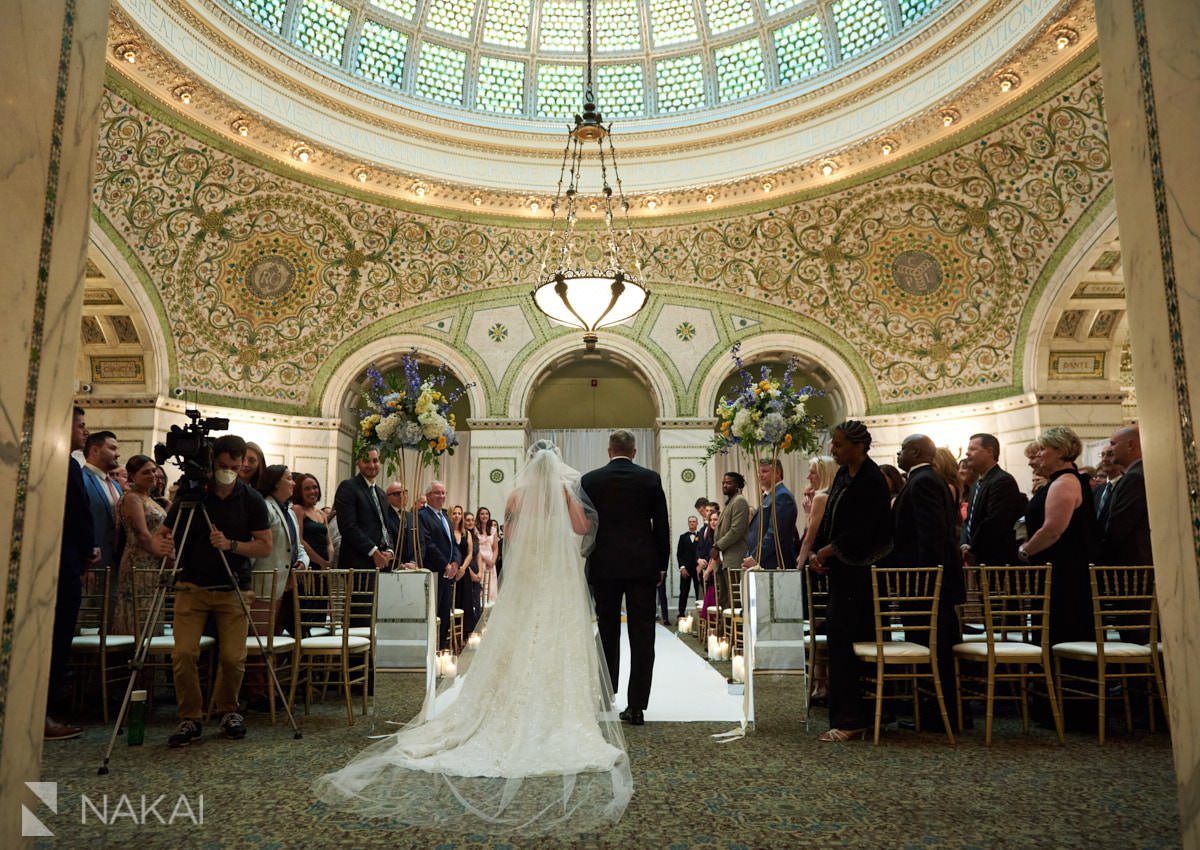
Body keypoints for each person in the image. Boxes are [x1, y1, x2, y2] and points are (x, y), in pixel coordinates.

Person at [315, 440, 630, 832]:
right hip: (557, 579)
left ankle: (508, 701)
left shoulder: (517, 493)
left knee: (517, 638)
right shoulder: (566, 492)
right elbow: (583, 529)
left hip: (529, 576)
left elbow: (509, 534)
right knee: (557, 637)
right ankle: (556, 706)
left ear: (529, 463)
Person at [166, 434, 272, 747]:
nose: (228, 471)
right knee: (184, 653)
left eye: (234, 467)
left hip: (233, 585)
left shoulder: (251, 499)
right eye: (223, 466)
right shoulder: (194, 494)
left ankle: (228, 710)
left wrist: (232, 545)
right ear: (213, 463)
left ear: (242, 466)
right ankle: (190, 717)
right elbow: (164, 533)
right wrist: (160, 544)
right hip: (191, 585)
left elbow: (264, 546)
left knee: (232, 657)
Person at [810, 421, 893, 742]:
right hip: (842, 571)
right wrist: (820, 552)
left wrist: (831, 550)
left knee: (848, 646)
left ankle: (852, 720)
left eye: (840, 444)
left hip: (862, 574)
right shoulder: (845, 476)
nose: (833, 449)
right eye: (833, 443)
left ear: (859, 446)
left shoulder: (872, 480)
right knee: (839, 645)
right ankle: (849, 716)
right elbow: (832, 518)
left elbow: (867, 529)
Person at [582, 429, 670, 727]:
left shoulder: (591, 480)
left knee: (606, 630)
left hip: (604, 566)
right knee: (642, 635)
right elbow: (661, 524)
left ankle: (606, 695)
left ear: (609, 451)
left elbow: (587, 526)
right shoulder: (650, 479)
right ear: (634, 452)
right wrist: (662, 564)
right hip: (642, 566)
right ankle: (636, 706)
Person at [888, 434, 963, 729]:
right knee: (932, 646)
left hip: (927, 584)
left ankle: (938, 715)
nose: (897, 454)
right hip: (929, 582)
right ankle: (934, 713)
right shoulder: (925, 480)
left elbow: (930, 536)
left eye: (902, 449)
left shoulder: (924, 481)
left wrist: (922, 580)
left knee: (935, 648)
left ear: (915, 451)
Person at [1019, 426, 1096, 647]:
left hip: (1063, 571)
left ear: (1061, 451)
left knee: (1062, 631)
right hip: (1059, 568)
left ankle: (1062, 679)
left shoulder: (1064, 482)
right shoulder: (1062, 481)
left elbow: (1052, 530)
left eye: (1044, 449)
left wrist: (1025, 551)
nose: (1039, 454)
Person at [46, 407, 94, 741]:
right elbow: (78, 514)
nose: (85, 431)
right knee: (56, 640)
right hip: (63, 563)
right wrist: (86, 551)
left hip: (58, 560)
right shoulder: (66, 465)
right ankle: (43, 714)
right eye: (80, 425)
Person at [334, 448, 395, 635]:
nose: (372, 465)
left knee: (377, 617)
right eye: (367, 461)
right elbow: (348, 527)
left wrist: (389, 551)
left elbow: (386, 528)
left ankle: (372, 661)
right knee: (360, 618)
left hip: (381, 565)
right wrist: (374, 551)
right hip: (358, 564)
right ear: (358, 463)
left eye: (375, 461)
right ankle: (357, 662)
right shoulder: (348, 487)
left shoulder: (381, 493)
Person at [113, 455, 173, 638]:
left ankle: (150, 663)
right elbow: (142, 534)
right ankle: (135, 661)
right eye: (145, 472)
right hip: (139, 563)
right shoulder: (132, 498)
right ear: (132, 475)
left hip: (154, 564)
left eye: (154, 470)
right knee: (139, 617)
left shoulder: (151, 498)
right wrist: (165, 555)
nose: (152, 475)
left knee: (153, 614)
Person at [961, 433, 1025, 566]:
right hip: (979, 556)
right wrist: (964, 544)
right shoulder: (976, 484)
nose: (967, 453)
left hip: (997, 559)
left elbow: (995, 521)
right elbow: (969, 520)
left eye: (973, 449)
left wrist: (973, 548)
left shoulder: (1002, 480)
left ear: (990, 451)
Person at [417, 481, 460, 650]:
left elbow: (454, 545)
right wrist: (445, 565)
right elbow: (428, 543)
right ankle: (430, 651)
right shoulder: (422, 515)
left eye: (443, 493)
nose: (441, 496)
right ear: (428, 496)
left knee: (444, 614)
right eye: (437, 493)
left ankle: (441, 650)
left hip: (448, 575)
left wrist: (456, 563)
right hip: (434, 572)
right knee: (432, 614)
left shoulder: (446, 518)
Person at [1102, 425, 1152, 566]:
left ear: (1130, 445)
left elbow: (1120, 524)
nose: (1110, 450)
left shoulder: (1135, 477)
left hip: (1132, 563)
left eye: (1113, 444)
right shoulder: (1135, 474)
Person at [742, 460, 799, 570]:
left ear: (778, 473)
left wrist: (755, 557)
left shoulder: (782, 496)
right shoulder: (770, 495)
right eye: (759, 472)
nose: (760, 475)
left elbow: (774, 534)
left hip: (774, 563)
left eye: (764, 471)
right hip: (765, 562)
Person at [81, 430, 123, 574]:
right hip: (91, 563)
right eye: (112, 448)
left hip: (115, 562)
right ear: (95, 450)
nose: (118, 454)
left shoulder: (116, 486)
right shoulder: (82, 479)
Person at [712, 472, 749, 631]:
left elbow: (736, 530)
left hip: (734, 558)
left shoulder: (740, 501)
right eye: (723, 482)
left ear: (738, 485)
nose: (724, 485)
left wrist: (718, 546)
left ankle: (733, 638)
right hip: (724, 559)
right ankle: (723, 637)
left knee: (733, 601)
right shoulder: (729, 502)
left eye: (729, 483)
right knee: (723, 600)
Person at [796, 457, 838, 568]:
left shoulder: (821, 497)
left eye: (812, 473)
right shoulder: (835, 494)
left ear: (824, 474)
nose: (808, 477)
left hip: (822, 560)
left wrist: (798, 568)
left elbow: (809, 539)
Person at [292, 473, 332, 569]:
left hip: (325, 567)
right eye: (307, 489)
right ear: (299, 492)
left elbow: (329, 542)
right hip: (307, 564)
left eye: (315, 487)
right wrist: (321, 562)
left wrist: (329, 562)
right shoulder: (298, 509)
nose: (312, 491)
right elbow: (299, 540)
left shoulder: (322, 514)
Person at [675, 516, 701, 622]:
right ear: (688, 523)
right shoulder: (683, 537)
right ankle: (681, 614)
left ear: (697, 523)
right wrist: (682, 568)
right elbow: (679, 554)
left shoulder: (701, 536)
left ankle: (701, 616)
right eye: (690, 522)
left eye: (694, 522)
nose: (692, 523)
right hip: (686, 570)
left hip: (698, 569)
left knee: (699, 593)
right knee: (683, 592)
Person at [475, 507, 499, 605]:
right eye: (482, 514)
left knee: (491, 588)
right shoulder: (475, 529)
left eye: (486, 514)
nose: (484, 516)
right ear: (478, 516)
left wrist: (493, 561)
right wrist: (485, 558)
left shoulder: (493, 530)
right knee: (481, 587)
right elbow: (475, 547)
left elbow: (495, 548)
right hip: (479, 561)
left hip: (490, 564)